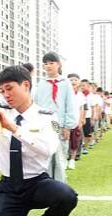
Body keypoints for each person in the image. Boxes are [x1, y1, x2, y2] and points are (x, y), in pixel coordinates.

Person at [0, 65, 78, 216]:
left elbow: (49, 148)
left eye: (10, 88)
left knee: (67, 196)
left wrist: (14, 129)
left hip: (37, 183)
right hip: (10, 187)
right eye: (2, 90)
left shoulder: (46, 116)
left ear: (26, 85)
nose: (6, 95)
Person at [33, 52, 77, 182]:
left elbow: (70, 105)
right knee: (44, 158)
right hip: (43, 126)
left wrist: (67, 126)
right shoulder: (40, 84)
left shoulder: (66, 83)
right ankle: (45, 187)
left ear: (59, 64)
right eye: (45, 64)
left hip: (60, 125)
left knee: (59, 158)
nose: (48, 66)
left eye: (51, 63)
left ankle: (59, 187)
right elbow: (36, 105)